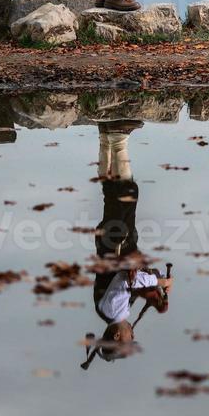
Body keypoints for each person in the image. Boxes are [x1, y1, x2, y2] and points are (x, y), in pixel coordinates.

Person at [83, 118, 173, 367]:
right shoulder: (110, 311)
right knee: (111, 191)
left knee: (126, 191)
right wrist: (153, 296)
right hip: (111, 241)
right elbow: (130, 284)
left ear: (115, 336)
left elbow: (125, 279)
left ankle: (118, 137)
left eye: (127, 340)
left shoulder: (113, 310)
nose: (132, 336)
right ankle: (106, 136)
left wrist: (160, 282)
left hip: (117, 241)